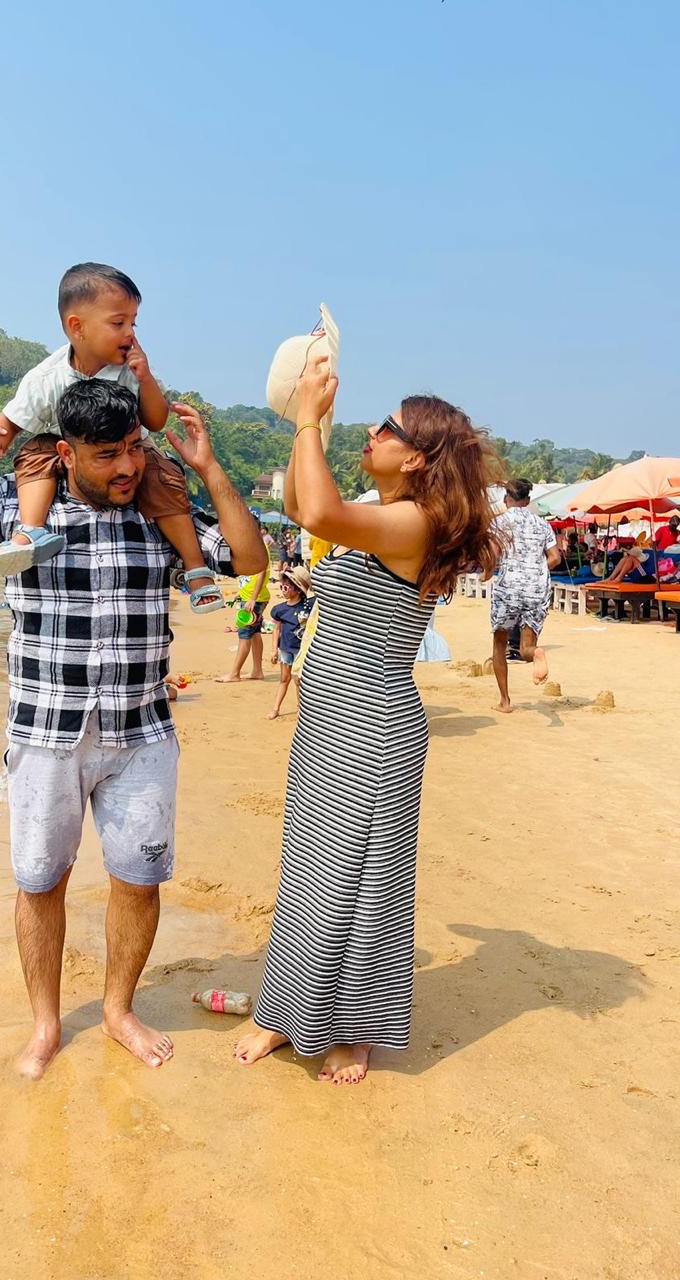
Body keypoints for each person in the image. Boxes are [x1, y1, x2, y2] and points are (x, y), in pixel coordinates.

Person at [0, 380, 266, 1080]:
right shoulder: (19, 511)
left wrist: (208, 468)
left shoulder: (159, 507)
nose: (127, 466)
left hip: (142, 733)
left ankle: (118, 1009)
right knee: (41, 882)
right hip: (45, 732)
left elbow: (248, 559)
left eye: (133, 448)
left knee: (138, 878)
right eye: (107, 455)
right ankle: (45, 1023)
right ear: (66, 454)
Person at [233, 357, 502, 1085]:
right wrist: (307, 421)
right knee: (310, 872)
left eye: (387, 427)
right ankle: (287, 1013)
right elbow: (302, 506)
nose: (373, 433)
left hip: (373, 725)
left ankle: (352, 1031)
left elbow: (320, 516)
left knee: (360, 884)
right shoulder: (383, 513)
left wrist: (309, 416)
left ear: (415, 457)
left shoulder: (414, 521)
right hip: (331, 719)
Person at [0, 262, 222, 614]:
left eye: (133, 323)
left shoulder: (132, 370)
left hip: (131, 449)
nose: (129, 334)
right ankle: (31, 531)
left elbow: (156, 421)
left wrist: (145, 379)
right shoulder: (46, 379)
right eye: (118, 323)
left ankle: (195, 568)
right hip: (65, 453)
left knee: (163, 476)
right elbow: (4, 428)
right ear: (77, 327)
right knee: (33, 453)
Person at [489, 478, 562, 712]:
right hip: (536, 589)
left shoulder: (499, 523)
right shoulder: (542, 524)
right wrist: (535, 570)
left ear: (506, 499)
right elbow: (555, 558)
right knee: (526, 648)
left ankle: (505, 701)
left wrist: (487, 572)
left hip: (509, 588)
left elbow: (493, 555)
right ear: (528, 500)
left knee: (500, 644)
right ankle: (536, 653)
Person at [267, 565, 315, 719]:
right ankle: (276, 708)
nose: (283, 590)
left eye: (287, 587)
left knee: (299, 680)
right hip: (286, 649)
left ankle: (301, 709)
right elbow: (276, 630)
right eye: (282, 586)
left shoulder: (309, 606)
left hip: (302, 650)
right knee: (284, 679)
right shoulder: (279, 609)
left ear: (298, 590)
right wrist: (273, 650)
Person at [217, 566, 270, 682]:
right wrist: (241, 594)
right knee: (255, 633)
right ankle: (257, 671)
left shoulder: (260, 553)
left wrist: (252, 599)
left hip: (253, 600)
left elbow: (261, 573)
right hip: (252, 598)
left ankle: (234, 674)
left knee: (244, 635)